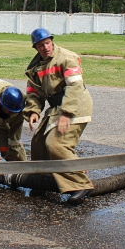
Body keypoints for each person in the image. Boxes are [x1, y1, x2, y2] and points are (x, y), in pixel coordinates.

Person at [23, 28, 94, 205]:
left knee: (56, 144)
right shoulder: (36, 66)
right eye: (41, 45)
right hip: (57, 107)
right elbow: (34, 92)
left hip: (76, 105)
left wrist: (67, 113)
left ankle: (80, 183)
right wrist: (33, 111)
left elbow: (75, 87)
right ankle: (45, 180)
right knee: (38, 142)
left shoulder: (66, 58)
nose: (46, 47)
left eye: (48, 43)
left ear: (52, 41)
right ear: (35, 47)